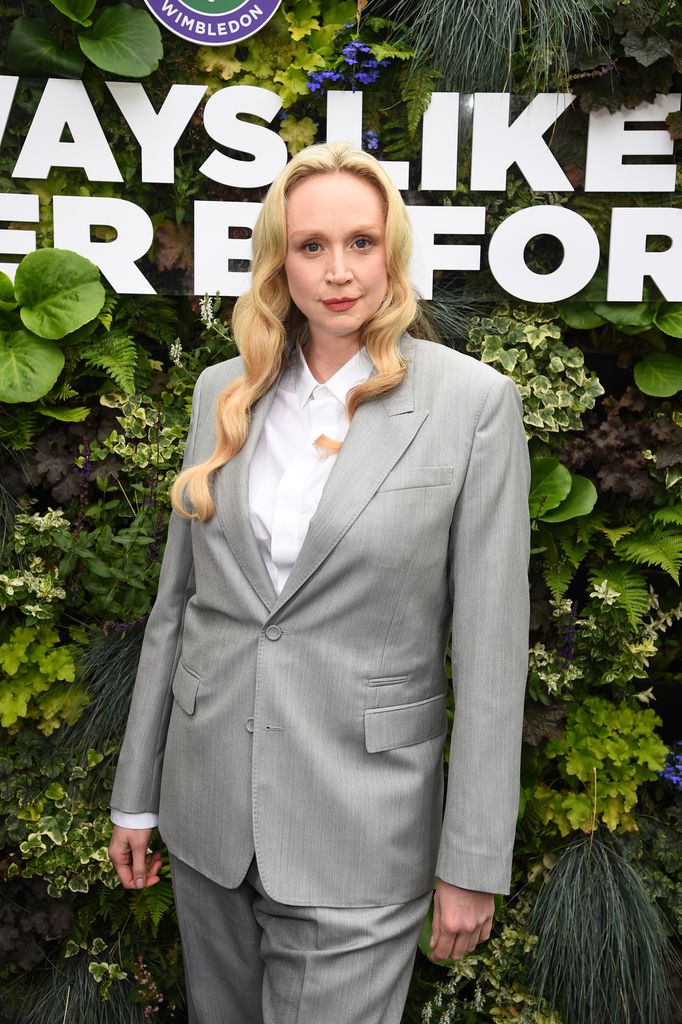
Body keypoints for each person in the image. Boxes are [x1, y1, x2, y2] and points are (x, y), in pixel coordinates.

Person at [108, 141, 531, 1024]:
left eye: (361, 243)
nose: (339, 273)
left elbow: (490, 657)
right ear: (279, 260)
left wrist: (474, 861)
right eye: (311, 246)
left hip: (361, 834)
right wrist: (137, 795)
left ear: (394, 252)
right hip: (209, 816)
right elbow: (177, 608)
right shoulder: (224, 390)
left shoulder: (472, 405)